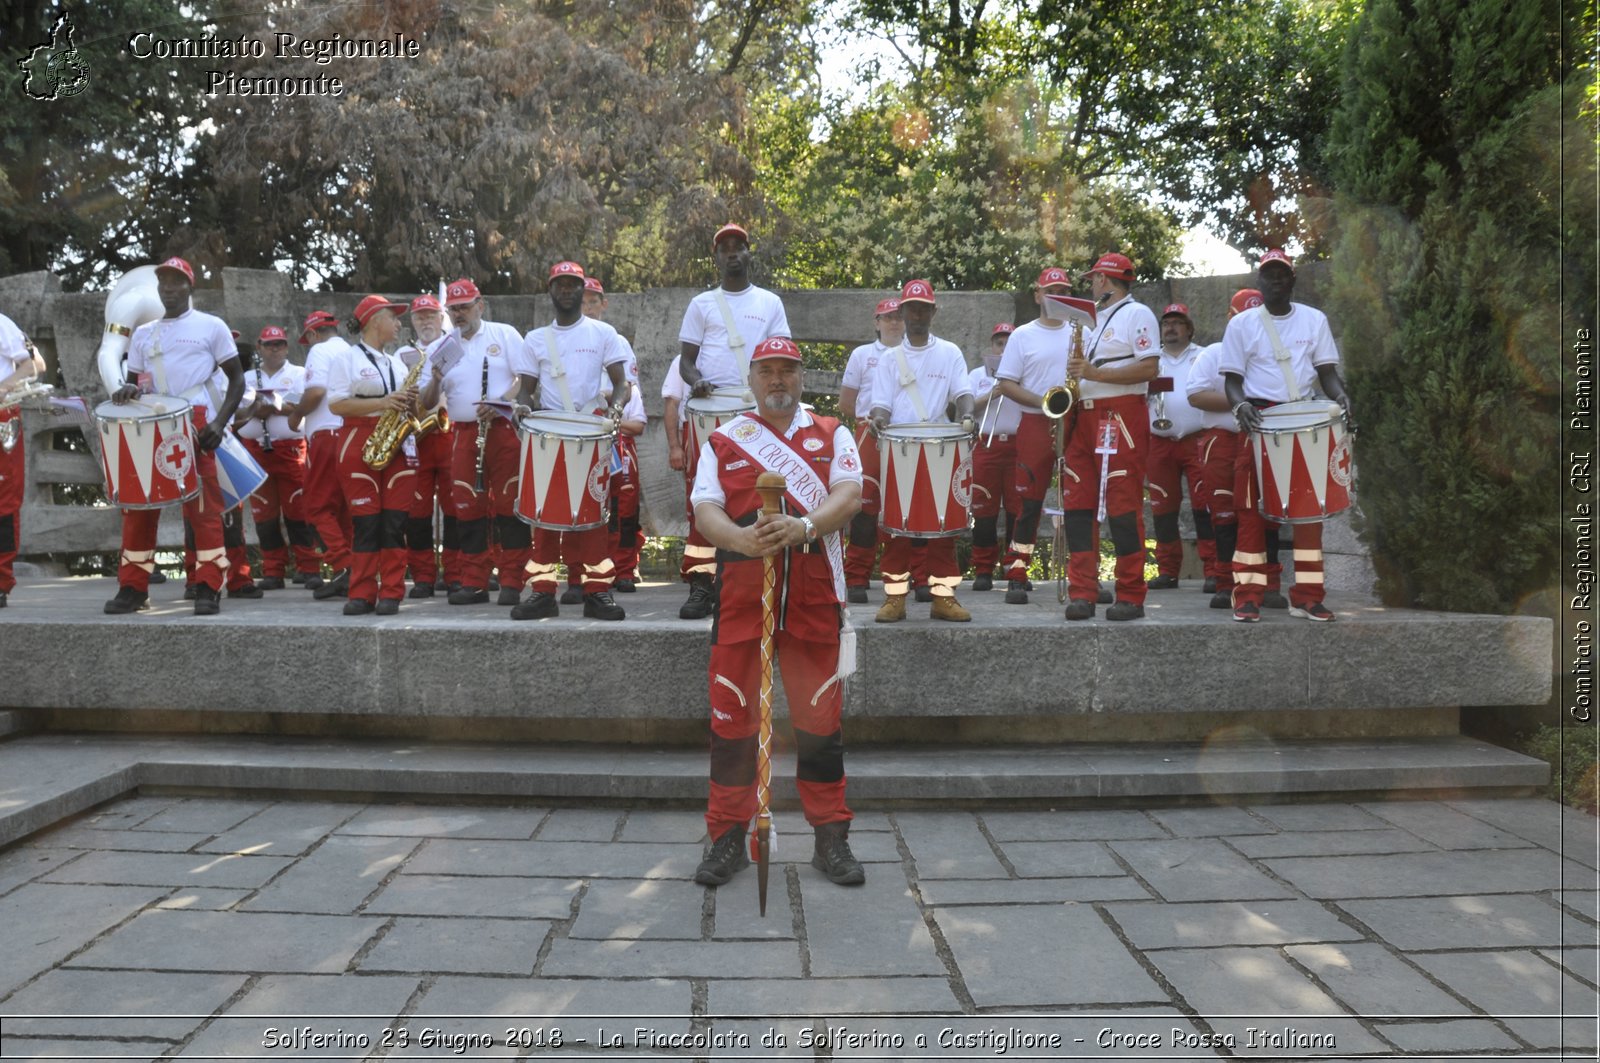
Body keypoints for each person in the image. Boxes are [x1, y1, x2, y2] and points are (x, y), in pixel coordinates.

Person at [690, 336, 866, 888]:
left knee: (819, 727)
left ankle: (831, 838)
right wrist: (741, 542)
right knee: (733, 725)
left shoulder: (834, 433)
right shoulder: (723, 440)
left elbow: (851, 495)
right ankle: (726, 838)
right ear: (752, 379)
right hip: (743, 595)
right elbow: (704, 509)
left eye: (787, 370)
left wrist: (805, 526)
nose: (777, 380)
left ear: (801, 377)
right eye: (766, 371)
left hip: (814, 597)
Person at [103, 257, 246, 617]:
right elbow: (134, 385)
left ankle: (208, 585)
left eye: (176, 282)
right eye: (163, 282)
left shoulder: (211, 326)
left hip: (195, 422)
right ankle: (133, 588)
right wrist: (125, 392)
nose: (168, 288)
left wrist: (219, 423)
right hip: (151, 423)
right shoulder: (143, 332)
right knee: (138, 508)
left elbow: (237, 380)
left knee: (203, 510)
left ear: (189, 287)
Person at [1220, 249, 1350, 623]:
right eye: (1269, 274)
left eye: (1283, 274)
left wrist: (1340, 396)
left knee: (1309, 513)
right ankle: (1247, 595)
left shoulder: (1314, 320)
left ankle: (1308, 596)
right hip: (1259, 419)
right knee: (1250, 512)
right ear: (1259, 280)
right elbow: (1232, 382)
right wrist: (1239, 406)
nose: (1276, 279)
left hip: (1305, 417)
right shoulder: (1241, 325)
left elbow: (1327, 374)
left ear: (1293, 280)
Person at [675, 222, 791, 620]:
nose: (731, 253)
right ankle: (702, 582)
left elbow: (780, 358)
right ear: (716, 257)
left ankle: (750, 580)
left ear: (748, 253)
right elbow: (686, 362)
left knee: (755, 493)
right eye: (724, 248)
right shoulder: (702, 304)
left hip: (754, 410)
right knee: (704, 496)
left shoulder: (769, 303)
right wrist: (697, 382)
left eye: (738, 246)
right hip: (711, 410)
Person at [511, 261, 630, 621]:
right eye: (559, 284)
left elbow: (621, 383)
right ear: (551, 290)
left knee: (592, 514)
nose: (566, 290)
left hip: (591, 430)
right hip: (549, 429)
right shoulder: (535, 339)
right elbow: (527, 391)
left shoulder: (603, 334)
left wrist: (617, 408)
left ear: (583, 290)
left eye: (572, 284)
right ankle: (542, 592)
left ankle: (597, 592)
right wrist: (519, 407)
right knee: (543, 513)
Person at [418, 278, 535, 606]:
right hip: (465, 433)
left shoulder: (504, 334)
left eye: (464, 307)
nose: (458, 314)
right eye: (453, 309)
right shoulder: (442, 347)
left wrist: (498, 401)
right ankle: (474, 582)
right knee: (467, 508)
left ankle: (512, 579)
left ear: (479, 305)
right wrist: (437, 379)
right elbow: (427, 401)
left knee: (508, 504)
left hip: (502, 428)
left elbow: (525, 379)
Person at [1058, 252, 1160, 621]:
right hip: (1083, 417)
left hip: (1121, 416)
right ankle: (1082, 591)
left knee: (1122, 504)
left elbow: (1150, 367)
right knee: (1079, 507)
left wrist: (1093, 374)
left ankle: (1131, 594)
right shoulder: (1091, 321)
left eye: (1093, 279)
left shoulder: (1138, 314)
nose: (1090, 285)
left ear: (1104, 279)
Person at [867, 279, 974, 623]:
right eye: (910, 308)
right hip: (899, 447)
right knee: (897, 528)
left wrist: (969, 414)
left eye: (922, 308)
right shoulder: (889, 359)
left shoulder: (950, 352)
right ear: (901, 311)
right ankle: (895, 597)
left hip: (942, 443)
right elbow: (881, 405)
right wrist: (878, 421)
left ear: (932, 311)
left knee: (944, 527)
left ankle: (943, 598)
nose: (916, 314)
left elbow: (962, 392)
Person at [324, 295, 420, 615]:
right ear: (375, 319)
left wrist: (409, 402)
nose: (398, 324)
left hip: (395, 439)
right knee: (366, 523)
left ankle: (391, 592)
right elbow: (336, 404)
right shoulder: (345, 358)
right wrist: (384, 402)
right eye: (393, 318)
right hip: (358, 437)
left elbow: (402, 407)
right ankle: (362, 593)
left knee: (394, 522)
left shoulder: (395, 361)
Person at [994, 268, 1077, 605]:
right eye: (1051, 289)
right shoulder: (1023, 335)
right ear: (1038, 295)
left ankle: (1082, 574)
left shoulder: (1082, 330)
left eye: (1063, 290)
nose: (1056, 295)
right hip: (1035, 422)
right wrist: (1045, 405)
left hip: (1076, 423)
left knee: (1080, 501)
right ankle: (1017, 570)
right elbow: (1006, 384)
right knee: (1028, 503)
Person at [1187, 289, 1260, 608]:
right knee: (1223, 510)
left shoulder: (1269, 355)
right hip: (1221, 440)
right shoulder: (1214, 353)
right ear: (1230, 319)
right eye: (1242, 318)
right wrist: (1242, 403)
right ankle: (1224, 579)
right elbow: (1196, 394)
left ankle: (1263, 582)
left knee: (1260, 512)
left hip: (1259, 440)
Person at [571, 277, 643, 597]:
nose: (588, 307)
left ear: (604, 303)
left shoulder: (618, 341)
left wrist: (611, 406)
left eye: (593, 301)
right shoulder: (565, 339)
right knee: (581, 508)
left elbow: (631, 402)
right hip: (581, 435)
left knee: (624, 508)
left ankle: (624, 569)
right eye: (582, 301)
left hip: (616, 435)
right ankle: (580, 574)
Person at [234, 326, 319, 589]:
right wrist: (254, 410)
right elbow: (234, 415)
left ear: (287, 347)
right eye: (269, 345)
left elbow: (307, 405)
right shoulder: (246, 377)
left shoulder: (298, 374)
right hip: (255, 450)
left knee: (298, 510)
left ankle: (309, 568)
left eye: (279, 344)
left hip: (291, 450)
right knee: (264, 514)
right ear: (259, 347)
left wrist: (278, 408)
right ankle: (273, 570)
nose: (274, 349)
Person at [1145, 303, 1216, 591]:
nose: (1170, 328)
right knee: (1162, 508)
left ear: (1189, 329)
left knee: (1205, 507)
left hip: (1198, 440)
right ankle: (1167, 571)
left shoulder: (1204, 356)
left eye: (1177, 323)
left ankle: (1214, 570)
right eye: (1166, 323)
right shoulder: (1150, 360)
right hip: (1159, 443)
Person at [838, 297, 903, 603]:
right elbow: (846, 403)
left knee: (905, 507)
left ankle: (904, 577)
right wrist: (868, 421)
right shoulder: (863, 354)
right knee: (865, 508)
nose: (894, 322)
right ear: (876, 322)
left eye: (898, 316)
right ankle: (857, 577)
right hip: (870, 434)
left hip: (906, 437)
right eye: (887, 317)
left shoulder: (915, 353)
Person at [395, 295, 459, 598]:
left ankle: (455, 573)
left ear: (441, 317)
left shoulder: (454, 347)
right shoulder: (402, 353)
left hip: (447, 435)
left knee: (456, 508)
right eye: (419, 316)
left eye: (431, 315)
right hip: (416, 438)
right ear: (411, 320)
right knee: (416, 513)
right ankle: (422, 575)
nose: (425, 321)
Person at [290, 310, 354, 595]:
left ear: (314, 334)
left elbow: (315, 392)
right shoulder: (354, 351)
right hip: (352, 433)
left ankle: (343, 565)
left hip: (327, 434)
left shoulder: (320, 350)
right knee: (345, 508)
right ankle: (354, 569)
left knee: (317, 506)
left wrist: (295, 415)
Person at [967, 322, 1021, 591]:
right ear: (992, 347)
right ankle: (983, 569)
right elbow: (966, 409)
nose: (1004, 349)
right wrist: (993, 393)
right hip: (986, 446)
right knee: (983, 510)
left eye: (1009, 343)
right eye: (1000, 344)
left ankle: (1015, 566)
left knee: (1017, 509)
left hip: (1018, 446)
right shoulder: (977, 374)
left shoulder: (1026, 371)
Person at [0, 312, 46, 607]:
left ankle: (0, 581)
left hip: (1, 414)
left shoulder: (1, 323)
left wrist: (3, 387)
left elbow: (33, 365)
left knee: (3, 500)